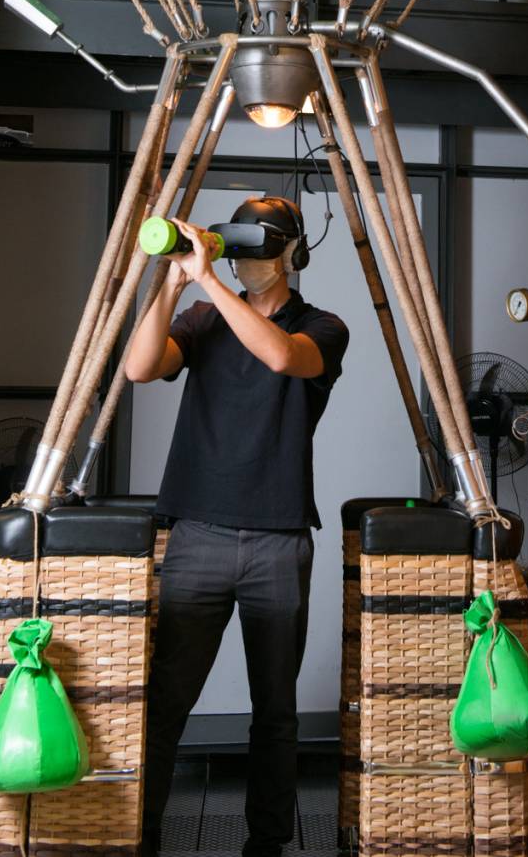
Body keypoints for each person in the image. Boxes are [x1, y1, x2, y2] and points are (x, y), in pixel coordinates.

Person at [125, 196, 349, 857]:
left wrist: (212, 283)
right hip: (196, 533)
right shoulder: (199, 316)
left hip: (278, 539)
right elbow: (140, 367)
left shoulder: (323, 326)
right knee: (167, 702)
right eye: (238, 246)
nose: (249, 260)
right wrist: (171, 285)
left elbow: (282, 359)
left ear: (290, 254)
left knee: (275, 712)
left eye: (261, 248)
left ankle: (268, 844)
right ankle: (142, 835)